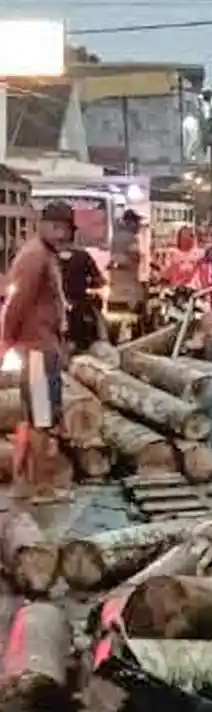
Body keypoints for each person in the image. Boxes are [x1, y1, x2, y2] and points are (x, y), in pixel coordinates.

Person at [0, 201, 74, 499]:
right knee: (41, 417)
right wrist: (7, 339)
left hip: (43, 344)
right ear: (43, 225)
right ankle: (40, 486)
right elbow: (16, 302)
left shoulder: (45, 254)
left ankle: (28, 481)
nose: (61, 234)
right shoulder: (35, 256)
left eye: (64, 229)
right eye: (57, 228)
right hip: (37, 347)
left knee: (38, 416)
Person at [59, 235, 105, 352]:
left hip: (54, 302)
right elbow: (99, 280)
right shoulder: (83, 256)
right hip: (78, 300)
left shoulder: (50, 256)